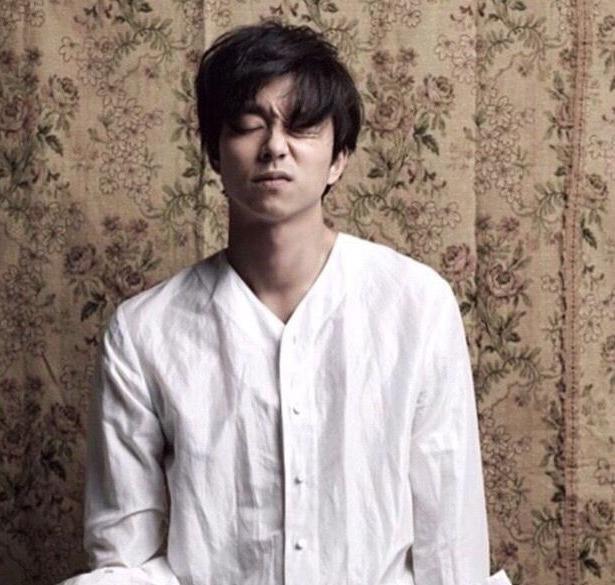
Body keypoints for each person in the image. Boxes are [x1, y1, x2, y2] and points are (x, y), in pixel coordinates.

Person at [61, 22, 512, 585]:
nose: (275, 146)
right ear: (213, 152)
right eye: (249, 124)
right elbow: (125, 558)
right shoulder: (144, 333)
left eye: (301, 125)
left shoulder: (417, 307)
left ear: (339, 157)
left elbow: (451, 547)